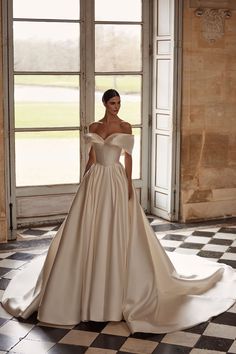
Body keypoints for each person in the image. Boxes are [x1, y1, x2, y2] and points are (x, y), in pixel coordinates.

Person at [2, 89, 236, 334]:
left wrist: (128, 182)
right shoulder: (94, 125)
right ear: (104, 103)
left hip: (114, 179)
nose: (117, 106)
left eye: (119, 102)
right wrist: (84, 179)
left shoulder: (125, 126)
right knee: (86, 229)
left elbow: (128, 157)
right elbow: (92, 155)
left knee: (114, 227)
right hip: (95, 181)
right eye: (113, 103)